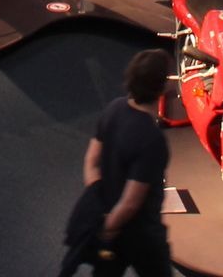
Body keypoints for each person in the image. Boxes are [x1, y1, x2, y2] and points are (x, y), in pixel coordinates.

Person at [65, 49, 171, 277]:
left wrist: (100, 206)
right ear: (161, 88)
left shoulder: (114, 109)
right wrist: (109, 228)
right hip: (141, 233)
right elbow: (131, 203)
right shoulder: (152, 139)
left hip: (110, 222)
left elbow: (91, 161)